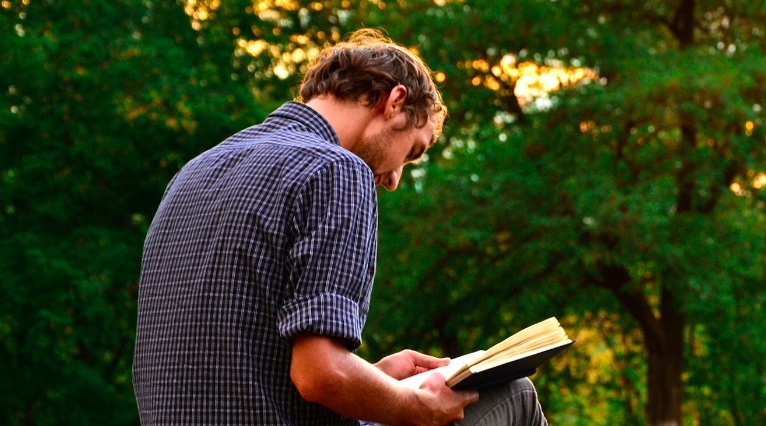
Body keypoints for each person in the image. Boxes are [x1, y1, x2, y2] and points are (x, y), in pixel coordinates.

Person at [133, 29, 547, 426]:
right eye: (411, 152)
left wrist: (376, 379)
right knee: (514, 395)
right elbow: (320, 375)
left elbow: (244, 372)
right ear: (395, 101)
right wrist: (418, 405)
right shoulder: (337, 170)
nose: (394, 179)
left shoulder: (196, 171)